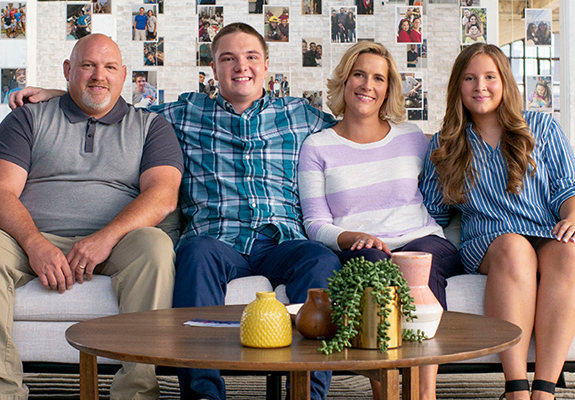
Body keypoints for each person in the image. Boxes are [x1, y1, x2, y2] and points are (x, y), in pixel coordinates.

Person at [11, 22, 342, 400]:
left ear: (266, 66)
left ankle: (308, 393)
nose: (241, 67)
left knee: (320, 261)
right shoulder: (183, 113)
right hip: (216, 239)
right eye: (228, 59)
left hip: (282, 238)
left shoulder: (300, 115)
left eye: (251, 58)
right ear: (213, 70)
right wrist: (62, 93)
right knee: (195, 256)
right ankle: (203, 394)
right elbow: (112, 104)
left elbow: (350, 132)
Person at [1, 34, 183, 400]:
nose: (99, 75)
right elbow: (3, 189)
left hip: (119, 242)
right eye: (88, 65)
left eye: (110, 67)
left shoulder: (151, 126)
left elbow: (163, 195)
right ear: (68, 70)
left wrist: (105, 238)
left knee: (156, 247)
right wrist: (35, 244)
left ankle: (136, 393)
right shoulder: (27, 118)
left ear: (125, 76)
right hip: (33, 236)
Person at [298, 41, 461, 400]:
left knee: (420, 266)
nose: (367, 85)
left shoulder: (412, 138)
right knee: (373, 270)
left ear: (388, 89)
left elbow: (444, 183)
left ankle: (423, 393)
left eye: (378, 78)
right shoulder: (317, 146)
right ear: (344, 80)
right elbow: (314, 222)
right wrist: (352, 235)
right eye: (359, 74)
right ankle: (384, 391)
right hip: (360, 246)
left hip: (421, 237)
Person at [420, 42, 575, 400]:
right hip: (490, 240)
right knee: (514, 248)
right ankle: (516, 388)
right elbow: (433, 212)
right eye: (470, 78)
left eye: (490, 77)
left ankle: (545, 389)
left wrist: (571, 216)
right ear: (458, 86)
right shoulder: (446, 143)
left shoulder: (542, 127)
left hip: (545, 229)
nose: (480, 86)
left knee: (569, 253)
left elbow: (567, 188)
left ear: (505, 82)